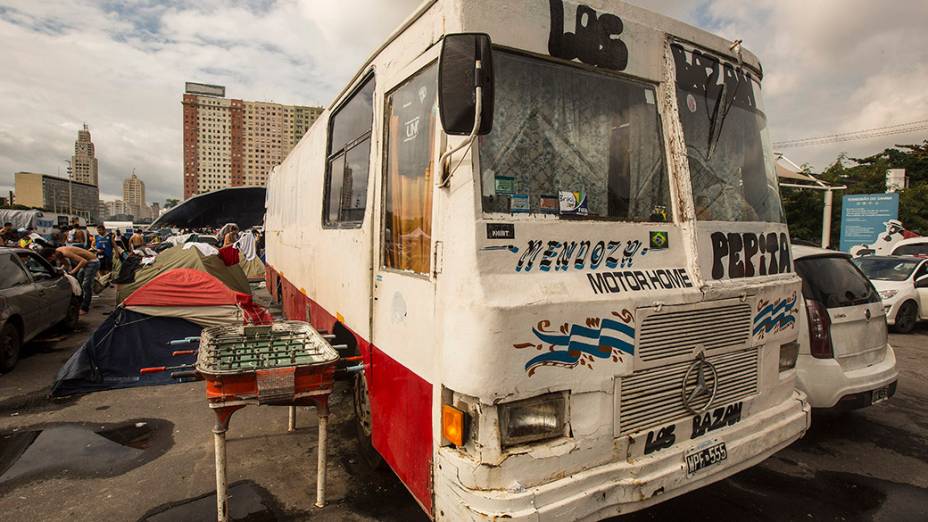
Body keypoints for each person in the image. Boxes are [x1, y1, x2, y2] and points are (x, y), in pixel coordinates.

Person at [50, 245, 99, 314]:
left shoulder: (65, 252)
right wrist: (60, 270)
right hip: (86, 263)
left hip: (92, 262)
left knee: (86, 285)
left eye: (51, 258)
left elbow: (83, 261)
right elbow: (66, 265)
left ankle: (85, 308)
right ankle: (81, 303)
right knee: (78, 282)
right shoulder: (58, 252)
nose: (52, 260)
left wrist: (73, 271)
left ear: (52, 254)